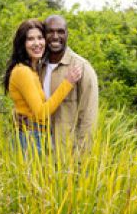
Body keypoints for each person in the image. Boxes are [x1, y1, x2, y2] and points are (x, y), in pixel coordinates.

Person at [4, 19, 82, 154]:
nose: (37, 43)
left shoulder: (34, 70)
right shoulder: (23, 71)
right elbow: (41, 113)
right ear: (22, 44)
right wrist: (68, 83)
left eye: (40, 38)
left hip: (35, 135)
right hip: (30, 138)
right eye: (30, 39)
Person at [42, 15, 98, 152]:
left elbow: (88, 117)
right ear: (43, 35)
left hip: (67, 152)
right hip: (38, 151)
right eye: (50, 32)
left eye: (60, 31)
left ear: (67, 34)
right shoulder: (37, 66)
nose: (55, 36)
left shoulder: (82, 68)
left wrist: (80, 156)